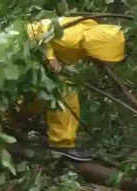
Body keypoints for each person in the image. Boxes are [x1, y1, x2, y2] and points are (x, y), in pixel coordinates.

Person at [20, 16, 126, 162]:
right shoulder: (71, 37)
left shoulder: (89, 33)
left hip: (37, 63)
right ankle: (62, 143)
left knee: (38, 96)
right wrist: (50, 56)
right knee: (65, 94)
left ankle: (11, 121)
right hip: (26, 54)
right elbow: (34, 30)